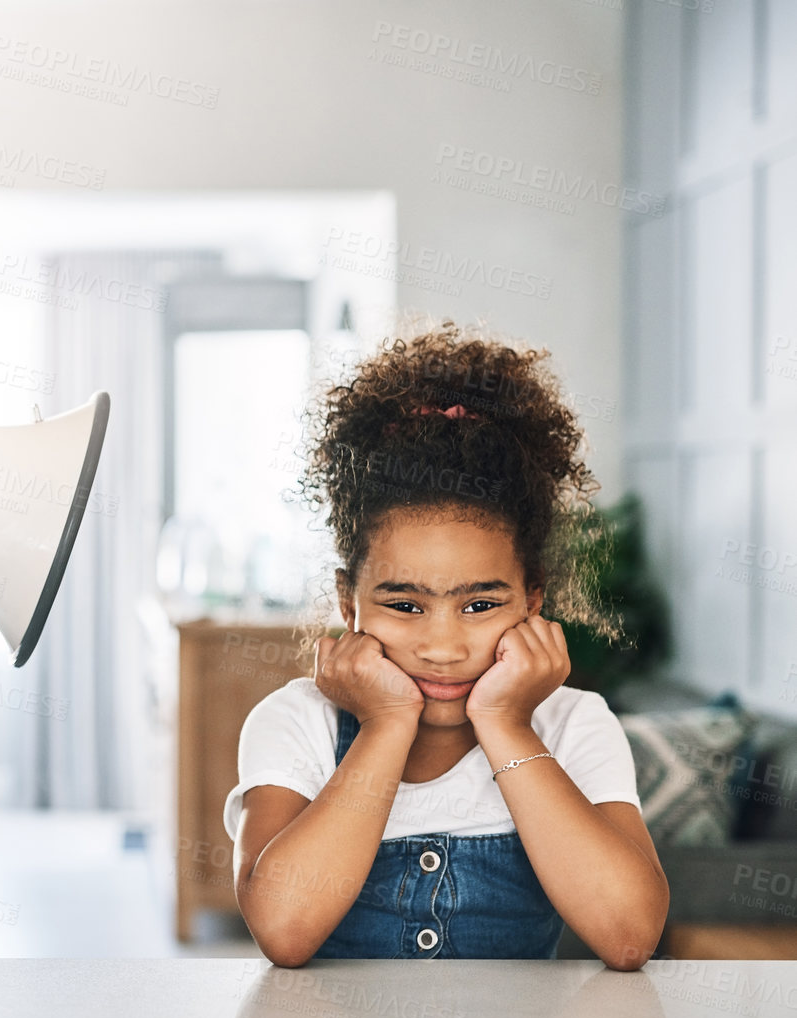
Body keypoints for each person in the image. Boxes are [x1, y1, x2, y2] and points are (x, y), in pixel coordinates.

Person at [225, 324, 667, 968]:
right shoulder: (297, 724)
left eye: (480, 606)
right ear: (349, 602)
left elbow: (629, 937)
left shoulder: (574, 726)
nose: (441, 646)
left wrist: (506, 724)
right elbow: (284, 931)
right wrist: (384, 727)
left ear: (532, 601)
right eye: (405, 606)